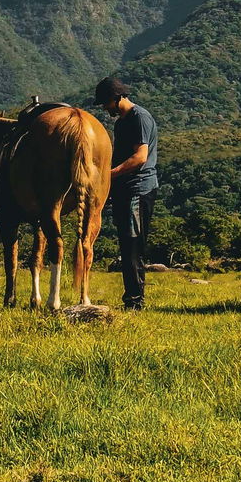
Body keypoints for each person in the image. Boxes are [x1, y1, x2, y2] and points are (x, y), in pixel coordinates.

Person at [94, 76, 159, 309]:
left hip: (138, 189)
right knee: (126, 243)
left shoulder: (139, 118)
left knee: (133, 245)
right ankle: (132, 297)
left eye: (106, 103)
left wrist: (108, 175)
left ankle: (135, 301)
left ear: (117, 97)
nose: (105, 108)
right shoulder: (121, 122)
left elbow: (140, 157)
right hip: (125, 189)